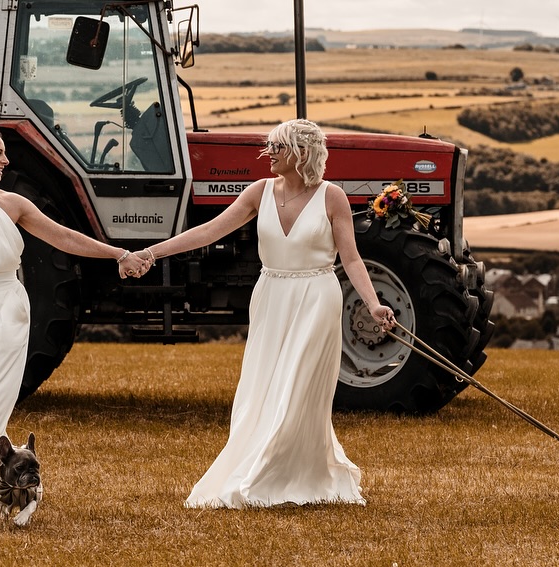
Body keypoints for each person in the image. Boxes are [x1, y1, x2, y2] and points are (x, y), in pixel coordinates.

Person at [136, 119, 396, 509]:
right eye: (269, 145)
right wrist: (153, 253)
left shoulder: (332, 197)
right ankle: (261, 467)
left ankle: (279, 473)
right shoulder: (258, 192)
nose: (268, 153)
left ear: (302, 153)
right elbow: (209, 231)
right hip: (271, 297)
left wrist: (373, 303)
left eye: (278, 146)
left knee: (297, 385)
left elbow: (352, 258)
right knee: (261, 388)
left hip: (316, 299)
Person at [0, 121, 153, 509]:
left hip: (7, 304)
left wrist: (118, 254)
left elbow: (63, 236)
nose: (5, 161)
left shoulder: (14, 204)